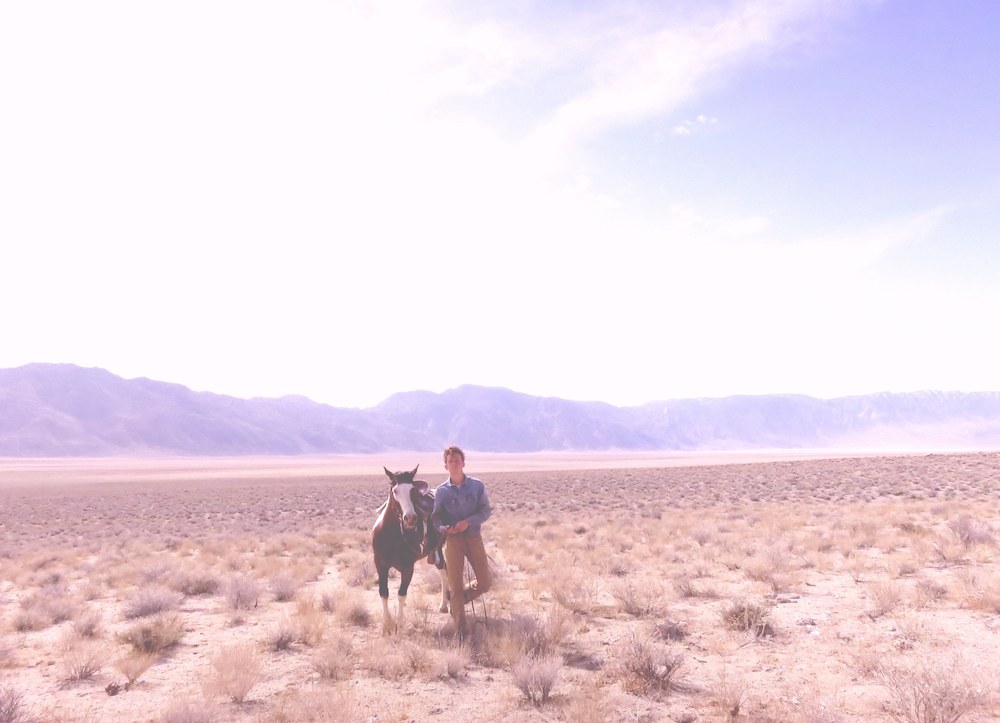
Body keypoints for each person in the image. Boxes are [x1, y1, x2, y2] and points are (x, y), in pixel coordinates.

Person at [432, 445, 492, 634]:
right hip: (454, 542)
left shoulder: (477, 486)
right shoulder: (442, 492)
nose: (455, 464)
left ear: (463, 462)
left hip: (473, 537)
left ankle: (459, 599)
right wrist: (444, 528)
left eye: (457, 460)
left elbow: (485, 511)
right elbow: (436, 518)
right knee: (455, 585)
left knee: (485, 582)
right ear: (445, 466)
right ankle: (461, 629)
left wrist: (468, 522)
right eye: (450, 461)